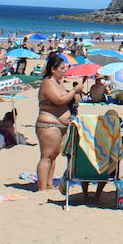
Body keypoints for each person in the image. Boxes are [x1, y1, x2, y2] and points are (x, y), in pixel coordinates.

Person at [35, 52, 85, 192]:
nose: (64, 71)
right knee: (46, 156)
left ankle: (49, 184)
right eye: (62, 68)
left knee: (53, 156)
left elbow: (68, 99)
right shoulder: (47, 82)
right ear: (53, 69)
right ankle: (41, 187)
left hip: (60, 125)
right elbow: (59, 100)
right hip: (49, 124)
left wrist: (76, 94)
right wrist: (74, 90)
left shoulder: (58, 83)